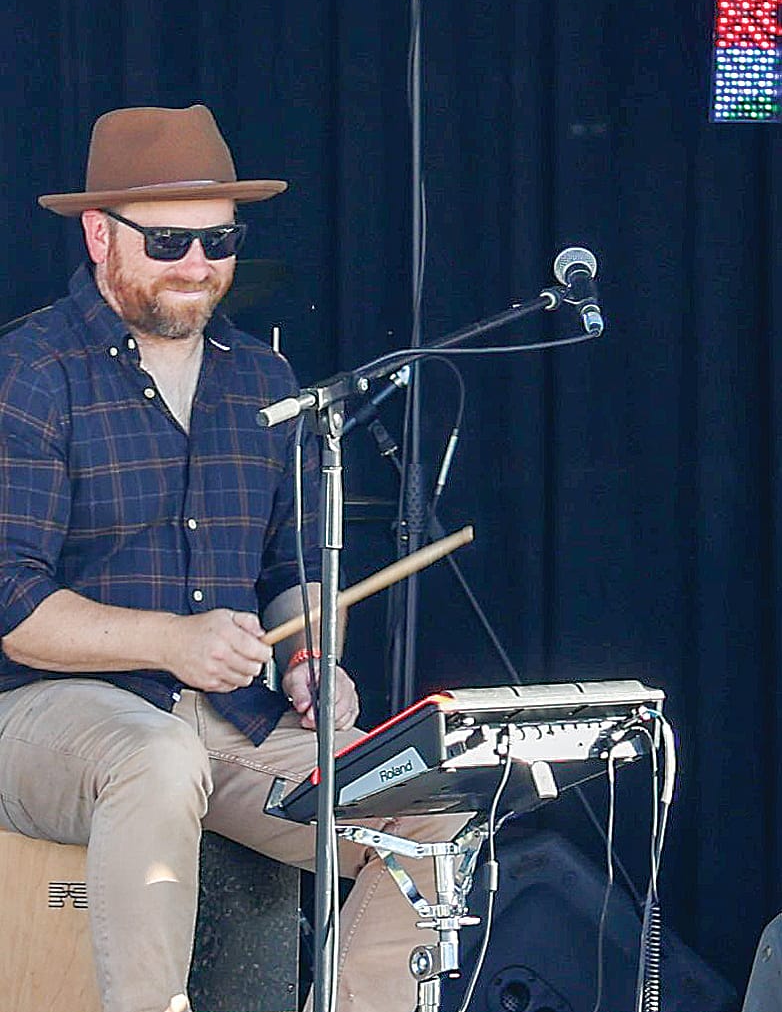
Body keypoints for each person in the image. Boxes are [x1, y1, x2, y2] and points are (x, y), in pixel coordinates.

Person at [0, 105, 465, 1012]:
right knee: (157, 755)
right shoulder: (33, 372)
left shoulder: (262, 380)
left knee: (432, 803)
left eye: (220, 240)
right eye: (168, 239)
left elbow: (293, 564)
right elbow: (13, 603)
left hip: (234, 726)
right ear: (99, 235)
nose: (198, 265)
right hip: (50, 720)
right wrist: (172, 641)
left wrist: (309, 657)